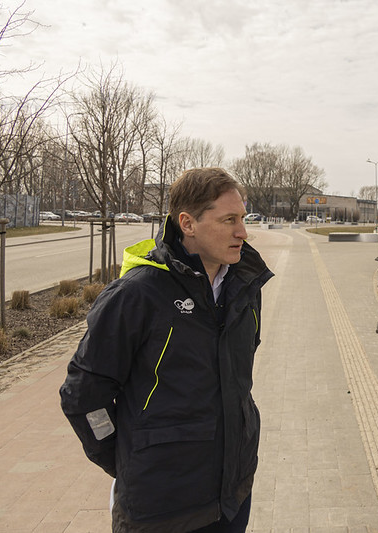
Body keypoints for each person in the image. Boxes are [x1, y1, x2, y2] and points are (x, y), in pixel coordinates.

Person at [60, 167, 274, 532]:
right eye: (229, 220)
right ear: (188, 223)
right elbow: (83, 396)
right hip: (160, 508)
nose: (243, 231)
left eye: (242, 218)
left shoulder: (245, 288)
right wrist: (126, 458)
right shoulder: (137, 295)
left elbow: (237, 383)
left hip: (232, 497)